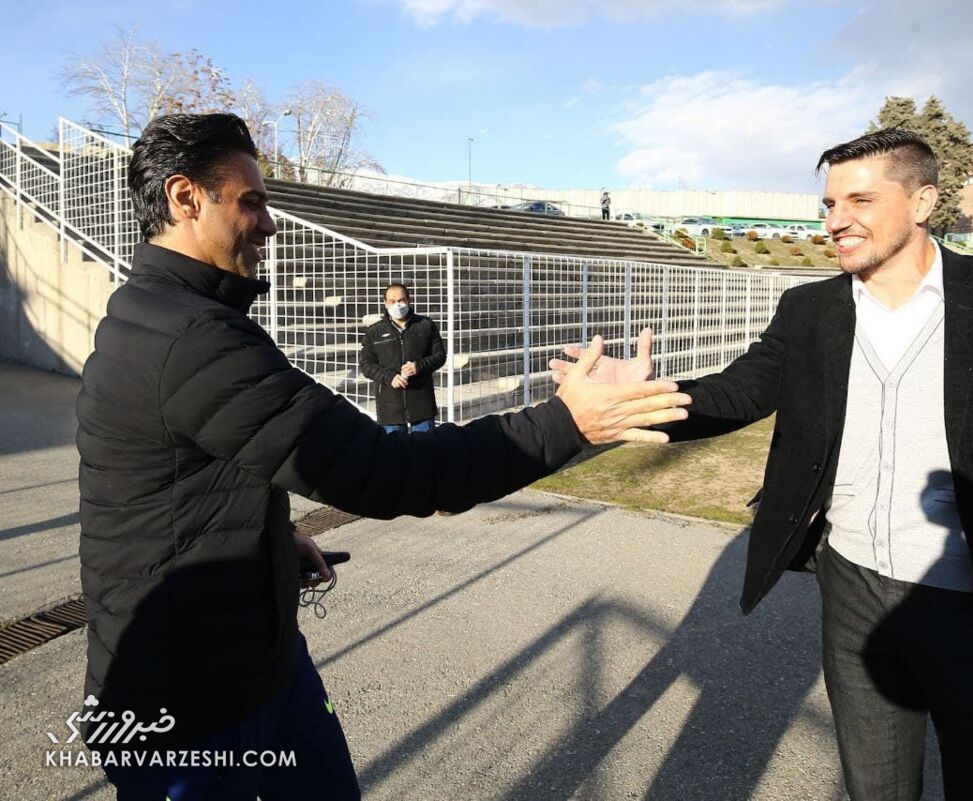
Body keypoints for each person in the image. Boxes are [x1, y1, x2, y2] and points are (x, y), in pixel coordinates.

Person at [551, 129, 973, 799]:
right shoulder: (809, 309)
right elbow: (741, 390)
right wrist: (651, 399)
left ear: (922, 201)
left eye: (859, 199)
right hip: (854, 592)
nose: (836, 221)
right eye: (828, 204)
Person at [76, 112, 690, 801]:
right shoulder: (189, 338)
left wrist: (270, 534)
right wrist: (568, 420)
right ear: (185, 199)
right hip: (189, 711)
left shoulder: (167, 316)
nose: (270, 223)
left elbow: (173, 484)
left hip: (258, 667)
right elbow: (383, 469)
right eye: (251, 200)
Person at [359, 281, 445, 434]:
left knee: (426, 450)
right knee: (394, 453)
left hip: (421, 404)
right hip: (390, 407)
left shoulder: (426, 325)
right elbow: (366, 364)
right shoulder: (374, 332)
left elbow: (439, 356)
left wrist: (419, 366)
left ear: (408, 300)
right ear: (385, 303)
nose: (397, 305)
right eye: (392, 301)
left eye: (401, 300)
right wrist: (388, 377)